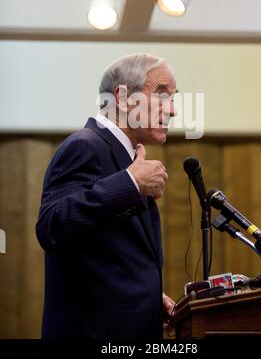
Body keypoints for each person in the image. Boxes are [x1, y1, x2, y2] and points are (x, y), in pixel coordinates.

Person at [36, 53, 177, 339]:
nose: (172, 110)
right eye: (162, 95)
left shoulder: (128, 156)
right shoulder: (85, 146)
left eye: (174, 99)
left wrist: (147, 296)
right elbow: (52, 226)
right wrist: (130, 183)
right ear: (123, 99)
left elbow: (106, 252)